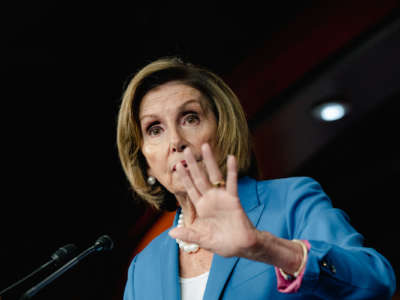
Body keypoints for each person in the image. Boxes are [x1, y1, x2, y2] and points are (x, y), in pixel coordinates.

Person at [117, 57, 396, 299]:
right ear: (146, 163)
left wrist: (265, 247)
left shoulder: (291, 201)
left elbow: (375, 283)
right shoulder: (143, 268)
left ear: (223, 131)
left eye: (190, 118)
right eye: (154, 129)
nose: (175, 141)